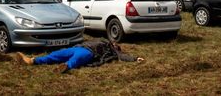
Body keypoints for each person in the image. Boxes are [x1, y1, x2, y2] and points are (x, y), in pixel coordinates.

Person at [15, 40, 144, 73]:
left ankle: (65, 67)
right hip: (77, 48)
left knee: (75, 61)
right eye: (115, 44)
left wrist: (135, 58)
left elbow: (123, 56)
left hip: (88, 53)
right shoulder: (103, 40)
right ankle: (31, 61)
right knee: (55, 55)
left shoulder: (111, 50)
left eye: (117, 46)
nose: (115, 45)